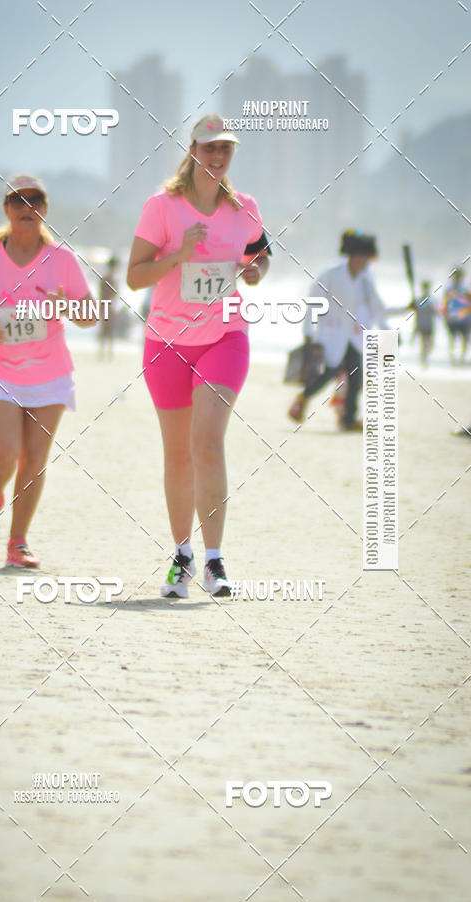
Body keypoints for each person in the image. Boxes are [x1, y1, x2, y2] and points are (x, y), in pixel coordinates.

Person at [127, 114, 270, 598]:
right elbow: (135, 277)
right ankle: (182, 555)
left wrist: (255, 272)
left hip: (224, 338)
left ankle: (214, 561)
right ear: (192, 150)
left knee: (207, 440)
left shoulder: (245, 207)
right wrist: (178, 256)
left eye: (225, 149)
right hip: (166, 343)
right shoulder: (161, 207)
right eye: (209, 148)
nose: (217, 156)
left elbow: (260, 256)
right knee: (178, 455)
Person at [0, 175, 95, 568]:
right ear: (6, 209)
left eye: (35, 200)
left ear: (45, 209)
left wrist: (66, 306)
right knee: (4, 451)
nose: (26, 206)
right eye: (17, 200)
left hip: (50, 374)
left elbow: (90, 316)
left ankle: (17, 542)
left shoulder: (63, 259)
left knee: (33, 460)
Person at [288, 230, 389, 431]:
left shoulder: (365, 280)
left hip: (352, 336)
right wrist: (309, 334)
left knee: (356, 375)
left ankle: (348, 419)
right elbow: (314, 304)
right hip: (330, 334)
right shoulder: (331, 274)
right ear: (352, 254)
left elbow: (377, 308)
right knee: (329, 372)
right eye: (362, 256)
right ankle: (303, 397)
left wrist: (396, 320)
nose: (365, 261)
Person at [442, 267, 471, 365]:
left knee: (464, 340)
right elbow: (445, 305)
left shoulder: (465, 290)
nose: (457, 278)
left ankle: (461, 359)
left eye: (458, 276)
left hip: (465, 319)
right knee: (453, 340)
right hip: (453, 319)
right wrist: (445, 316)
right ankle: (454, 359)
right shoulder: (449, 290)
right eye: (455, 276)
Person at [410, 280, 437, 366]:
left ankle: (424, 357)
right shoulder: (418, 301)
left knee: (430, 344)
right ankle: (424, 359)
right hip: (421, 324)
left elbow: (436, 313)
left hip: (429, 324)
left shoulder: (432, 300)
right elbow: (415, 312)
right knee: (423, 343)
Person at [98, 255, 119, 360]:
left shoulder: (105, 278)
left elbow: (101, 293)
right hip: (108, 305)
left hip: (105, 305)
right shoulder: (110, 279)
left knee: (105, 329)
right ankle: (107, 352)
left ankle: (104, 352)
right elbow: (114, 294)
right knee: (108, 329)